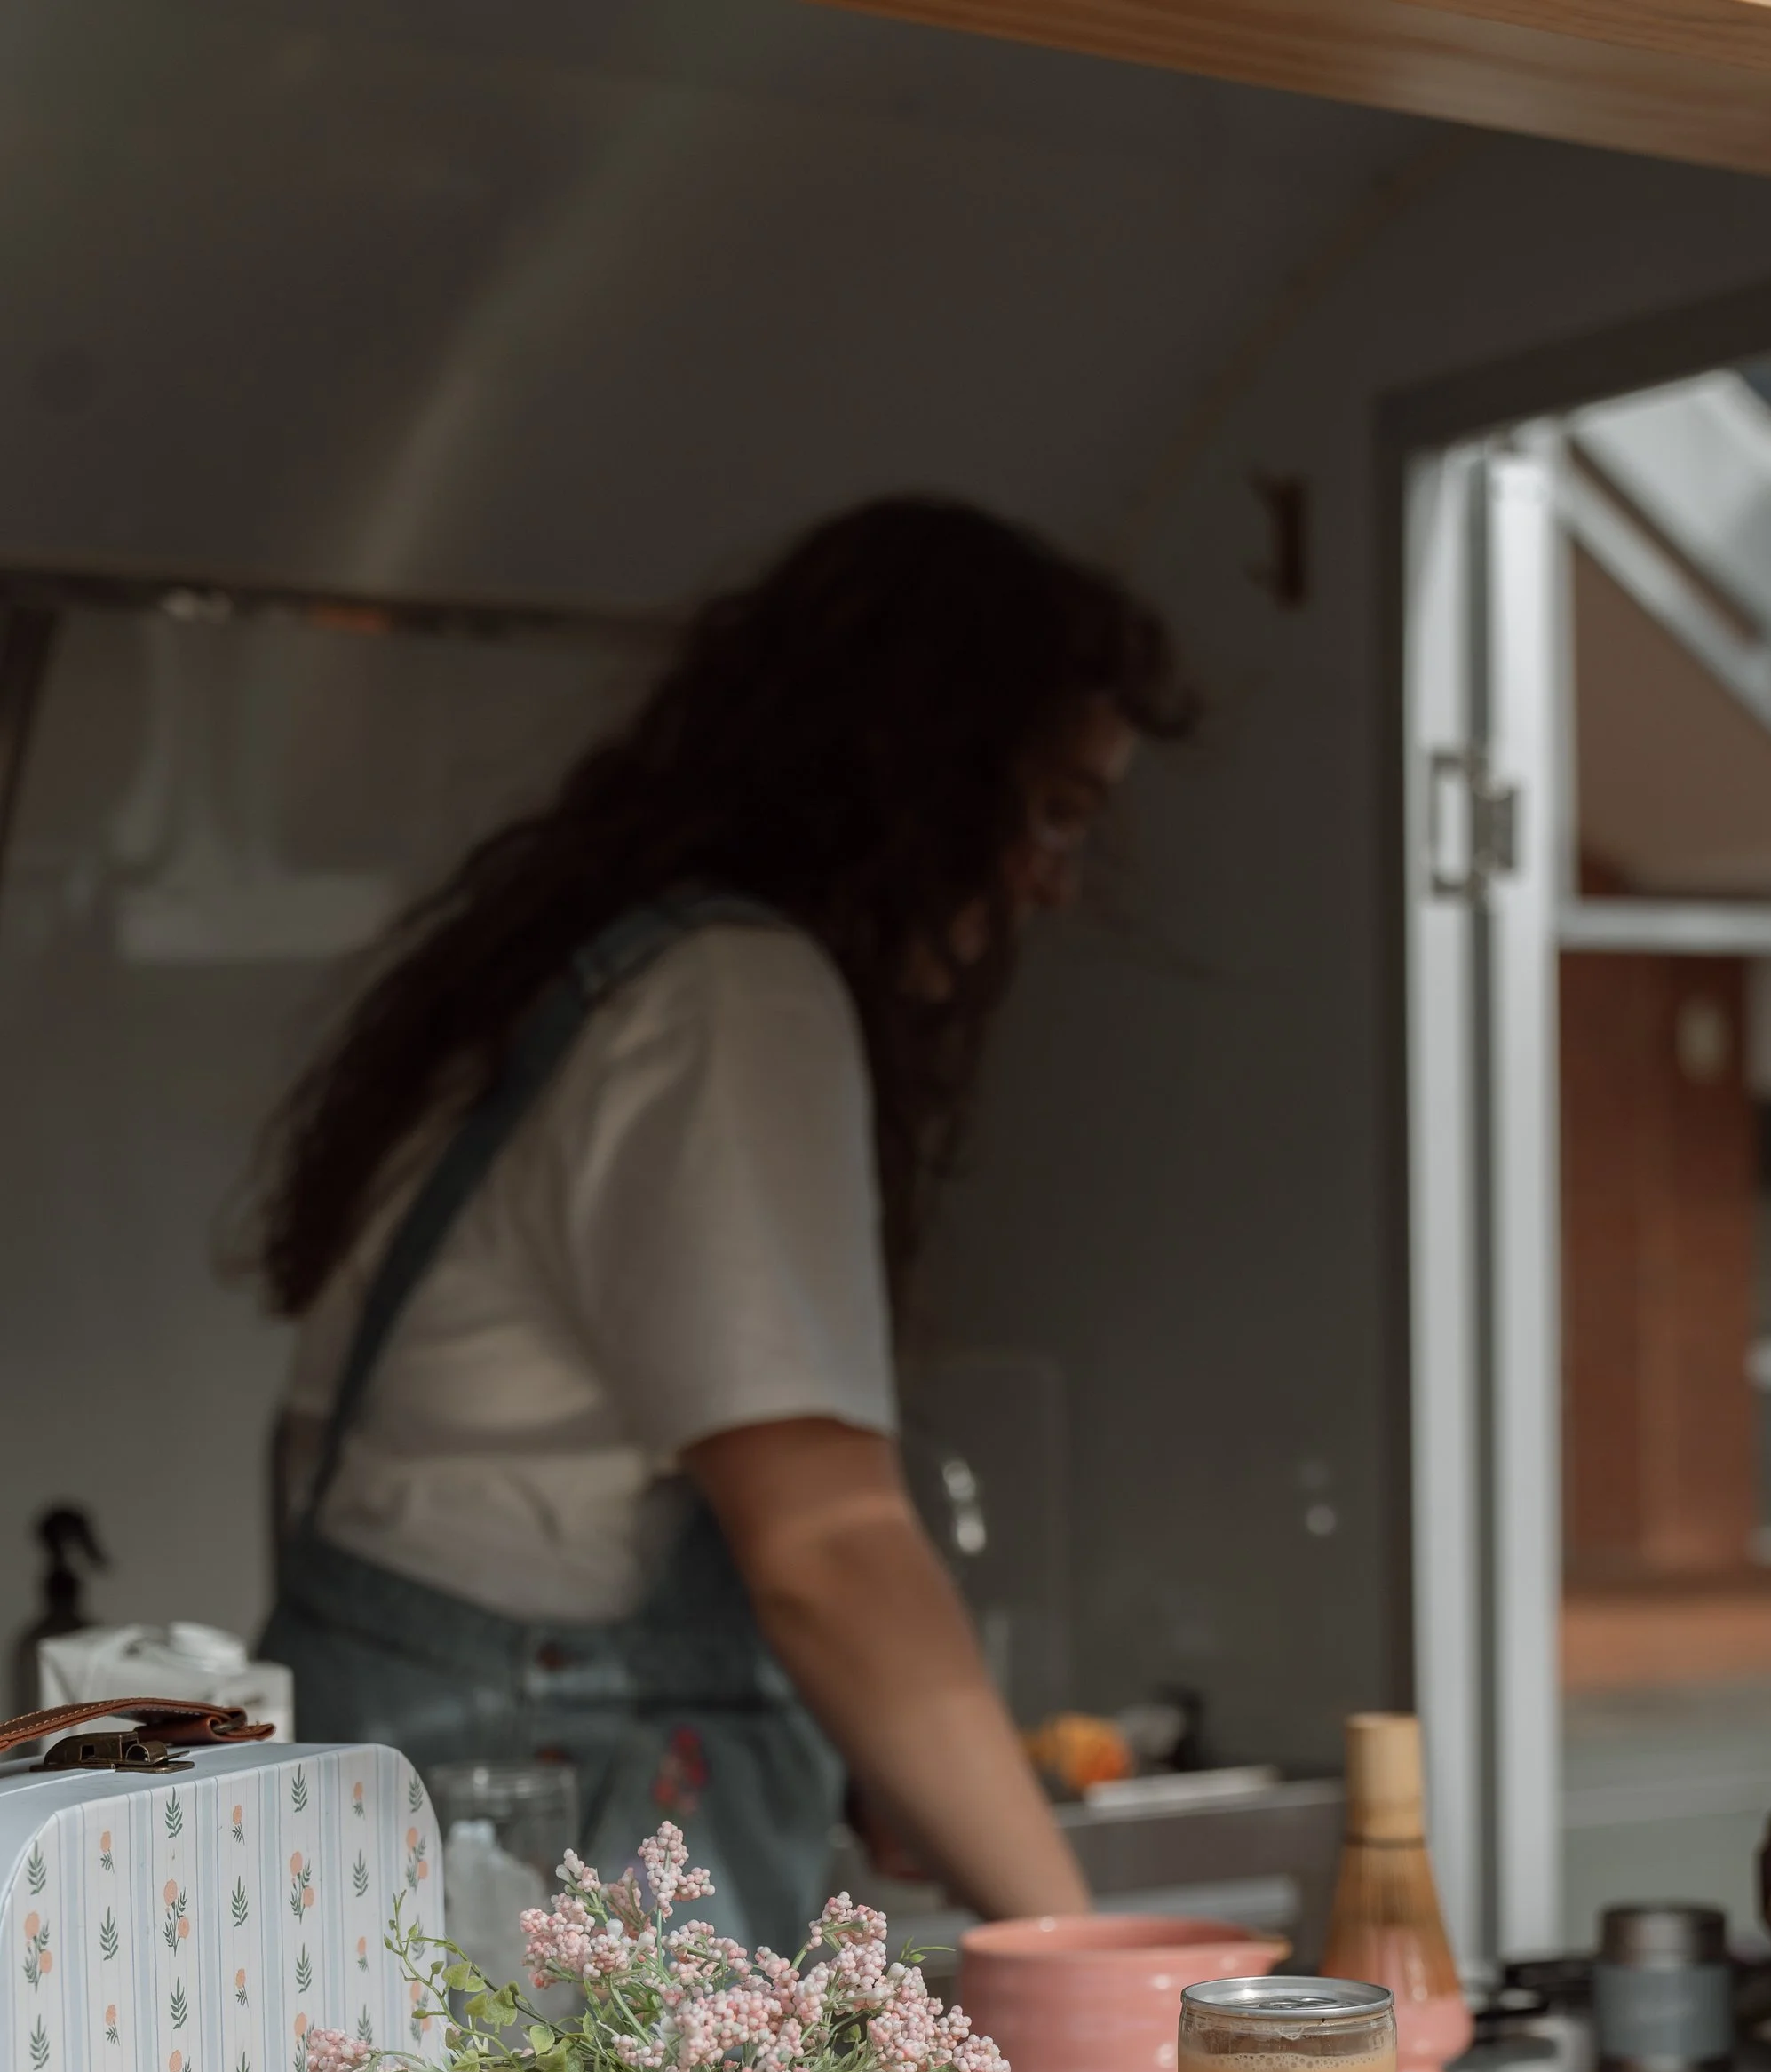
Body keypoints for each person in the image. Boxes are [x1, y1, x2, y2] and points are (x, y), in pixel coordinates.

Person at [257, 496, 1195, 1947]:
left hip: (399, 1798)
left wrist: (894, 1762)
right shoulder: (732, 1000)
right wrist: (1092, 1968)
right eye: (1053, 808)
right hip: (522, 1831)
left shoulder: (587, 979)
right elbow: (828, 1546)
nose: (1055, 880)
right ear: (923, 775)